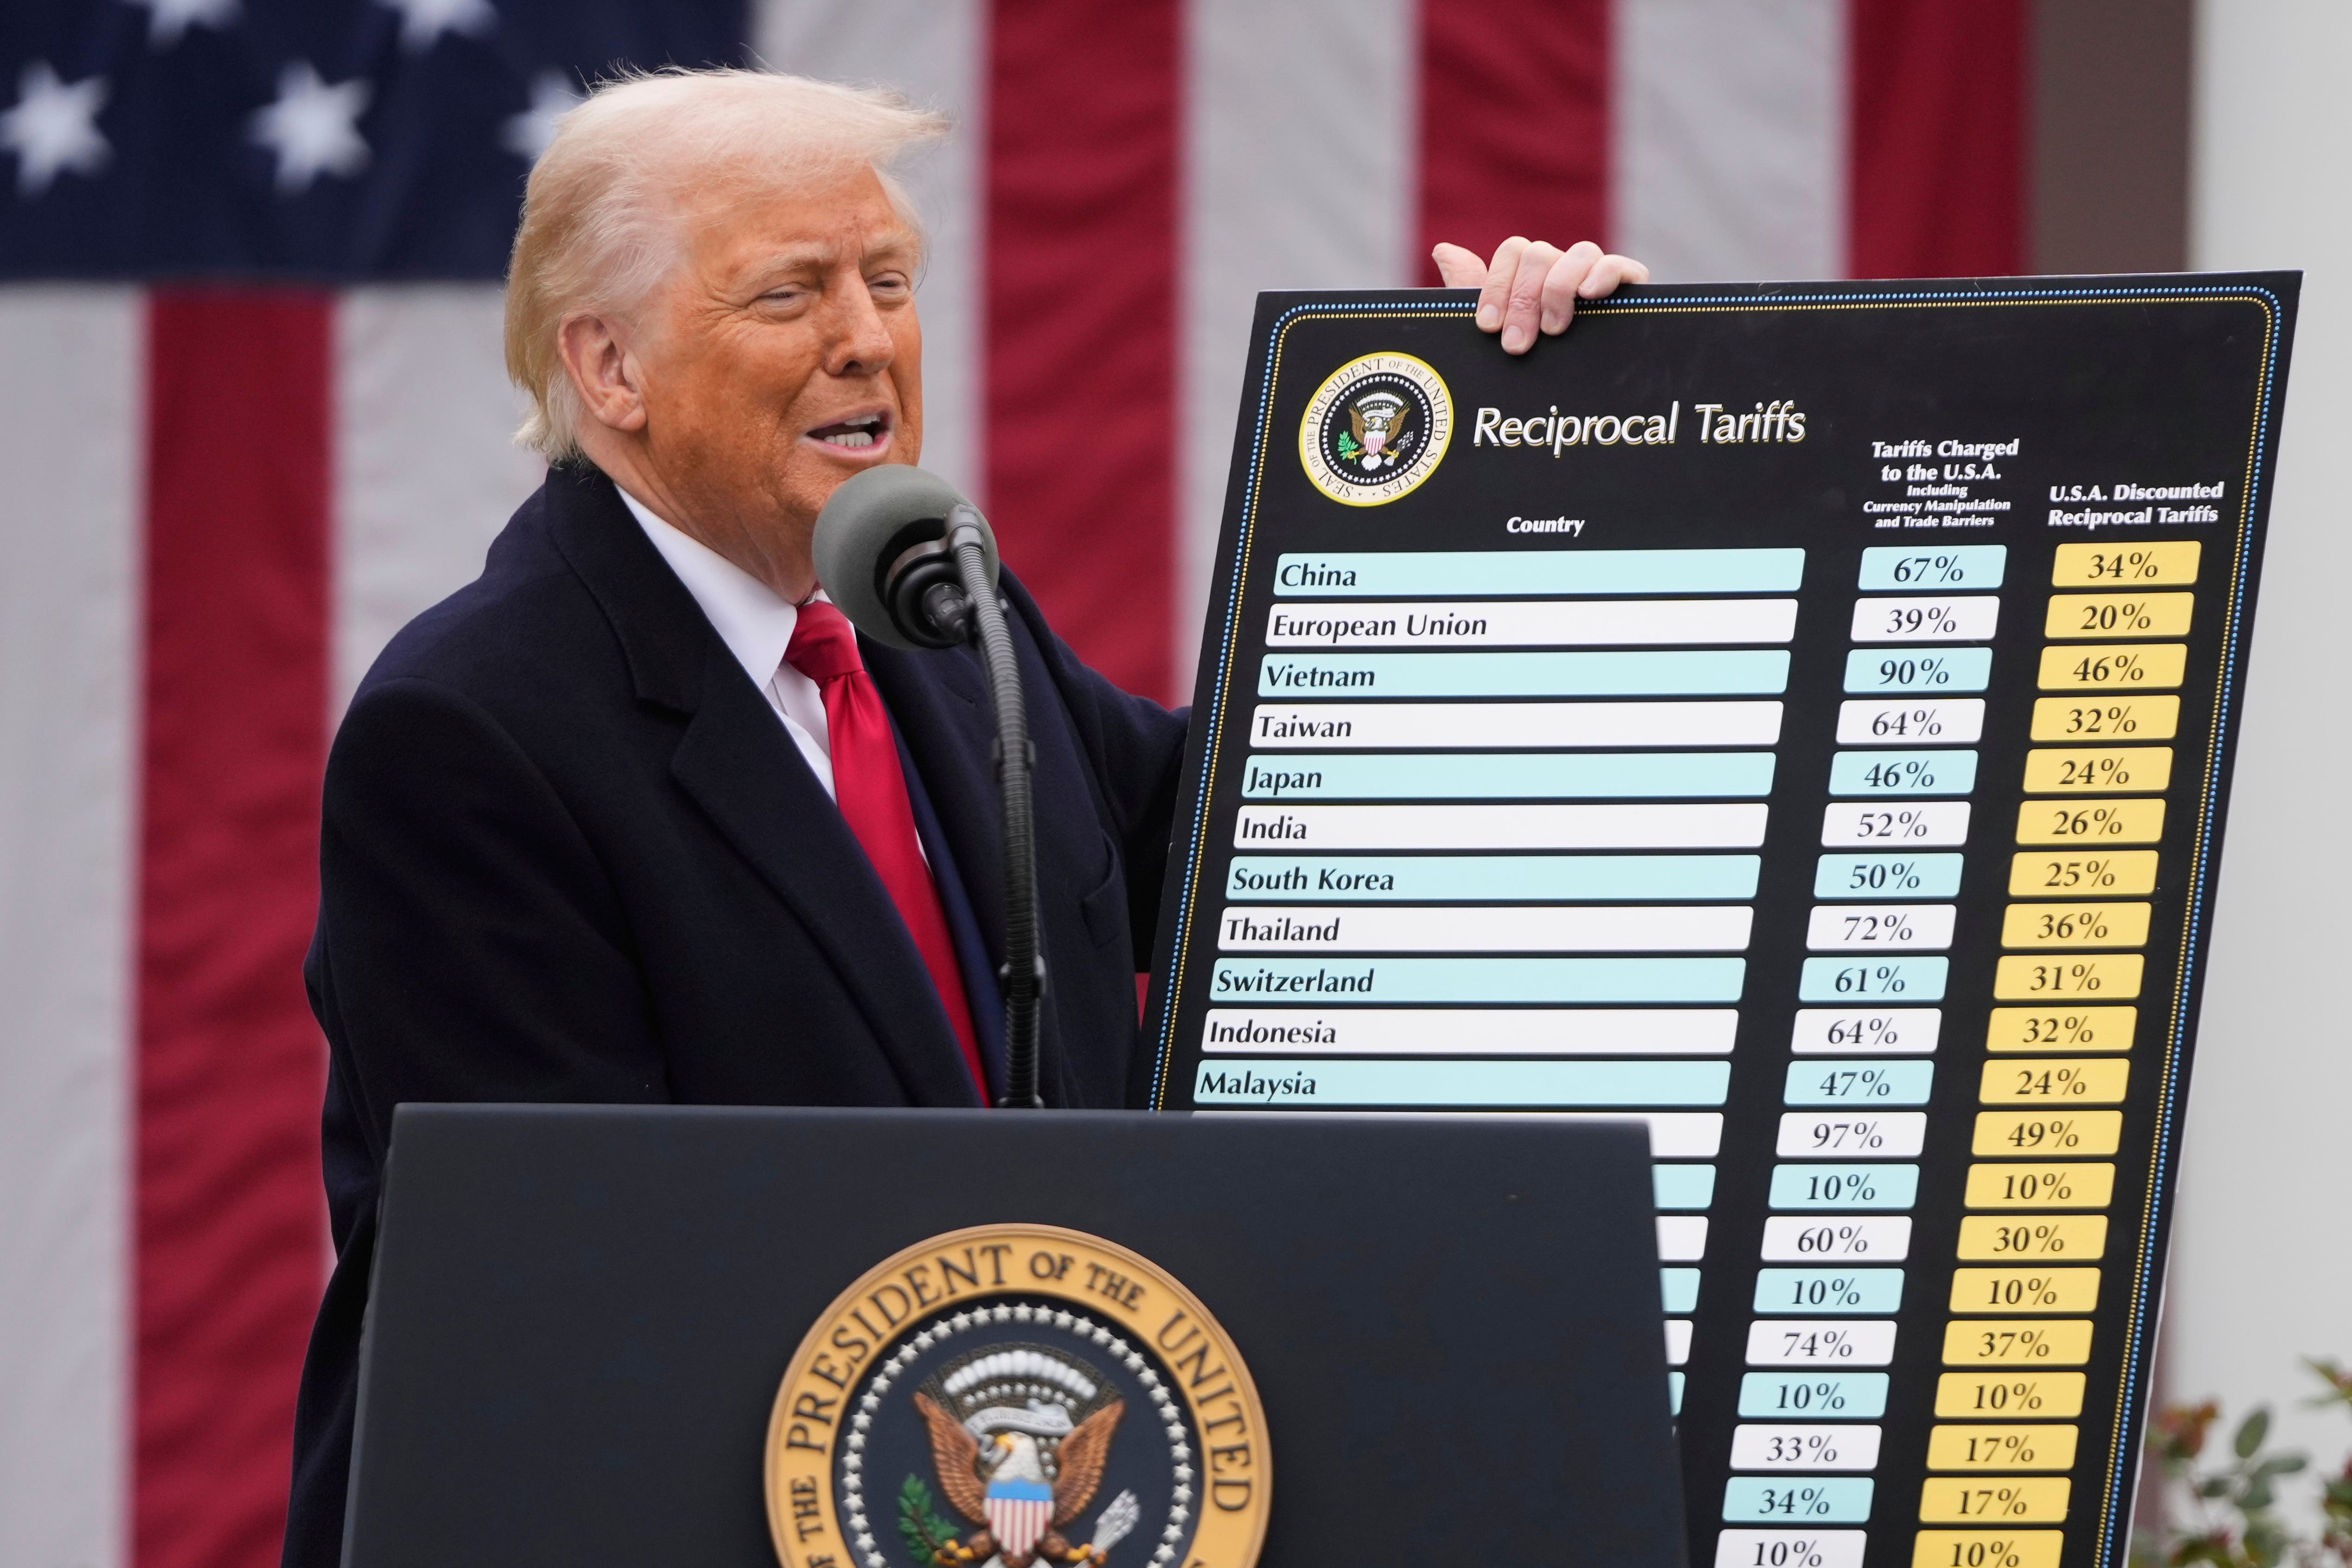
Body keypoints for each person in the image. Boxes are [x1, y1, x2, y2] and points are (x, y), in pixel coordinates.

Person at [280, 65, 1649, 1567]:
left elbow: (1258, 831)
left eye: (887, 280)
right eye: (792, 292)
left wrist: (1536, 447)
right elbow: (572, 1282)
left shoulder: (935, 607)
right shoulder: (470, 731)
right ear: (610, 368)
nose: (866, 338)